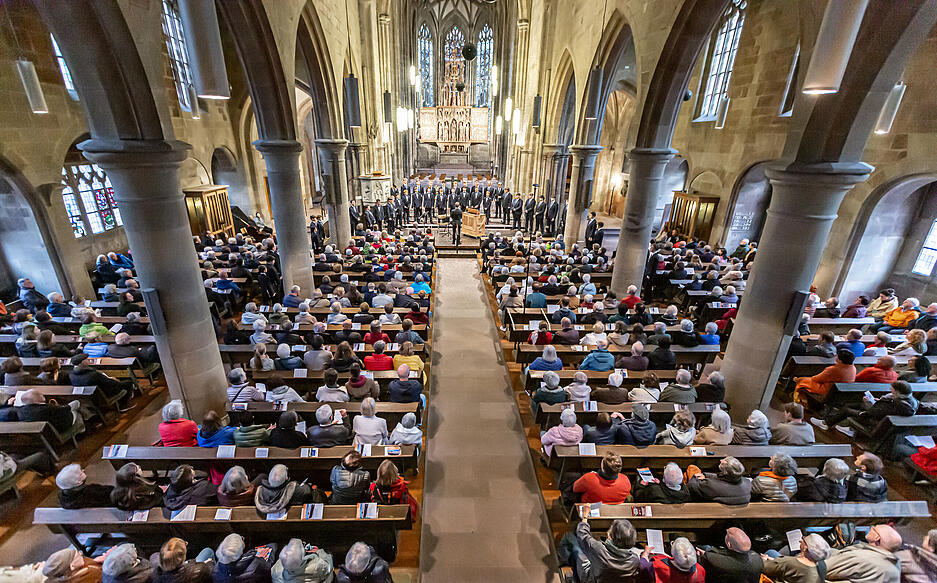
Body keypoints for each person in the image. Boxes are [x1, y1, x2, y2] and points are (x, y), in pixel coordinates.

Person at [566, 517, 654, 583]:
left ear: (610, 537)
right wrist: (645, 554)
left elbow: (582, 535)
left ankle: (575, 579)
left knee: (575, 548)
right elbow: (643, 564)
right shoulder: (634, 560)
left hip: (592, 580)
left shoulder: (599, 549)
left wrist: (584, 517)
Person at [825, 523, 902, 582]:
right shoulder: (894, 562)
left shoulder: (861, 558)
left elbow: (823, 569)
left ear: (877, 538)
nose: (870, 528)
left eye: (874, 528)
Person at [696, 528, 763, 582]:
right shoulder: (758, 559)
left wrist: (704, 556)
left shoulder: (713, 560)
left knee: (705, 547)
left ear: (729, 544)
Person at [687, 456, 752, 504]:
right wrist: (706, 475)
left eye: (723, 463)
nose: (721, 460)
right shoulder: (747, 483)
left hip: (706, 504)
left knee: (692, 468)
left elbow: (691, 486)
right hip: (728, 505)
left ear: (726, 472)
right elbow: (722, 478)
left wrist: (695, 478)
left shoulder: (710, 485)